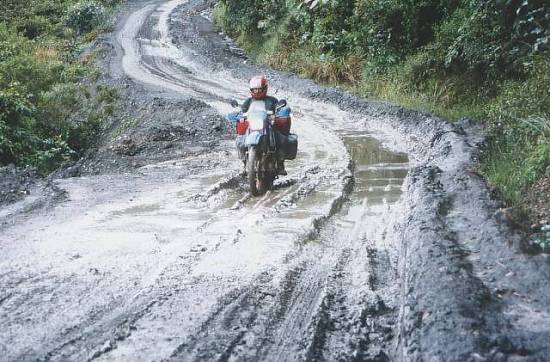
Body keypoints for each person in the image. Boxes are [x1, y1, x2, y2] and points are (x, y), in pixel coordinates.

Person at [241, 75, 287, 175]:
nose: (257, 91)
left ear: (264, 88)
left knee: (282, 139)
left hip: (268, 125)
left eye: (259, 89)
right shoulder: (248, 101)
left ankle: (280, 165)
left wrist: (277, 114)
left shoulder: (272, 100)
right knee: (240, 141)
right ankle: (245, 165)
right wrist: (239, 116)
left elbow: (279, 109)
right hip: (253, 126)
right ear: (251, 90)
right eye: (255, 89)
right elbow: (242, 112)